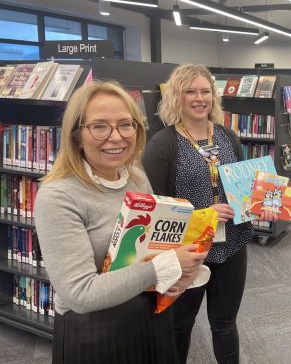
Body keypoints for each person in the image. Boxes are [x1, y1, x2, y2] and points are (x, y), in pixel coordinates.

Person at [34, 81, 208, 364]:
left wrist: (174, 278)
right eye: (100, 126)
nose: (116, 137)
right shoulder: (58, 196)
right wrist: (165, 266)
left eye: (126, 125)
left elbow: (149, 250)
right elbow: (80, 294)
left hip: (150, 316)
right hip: (97, 334)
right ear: (76, 135)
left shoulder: (136, 176)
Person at [142, 64, 256, 364]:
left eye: (205, 91)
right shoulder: (162, 144)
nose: (199, 98)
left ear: (213, 96)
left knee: (225, 323)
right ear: (176, 97)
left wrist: (257, 200)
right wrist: (203, 216)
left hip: (231, 245)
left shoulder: (227, 135)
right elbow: (155, 210)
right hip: (187, 248)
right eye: (190, 91)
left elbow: (239, 184)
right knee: (180, 324)